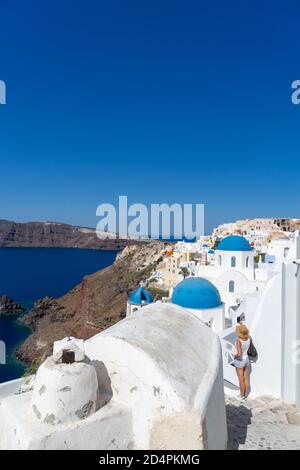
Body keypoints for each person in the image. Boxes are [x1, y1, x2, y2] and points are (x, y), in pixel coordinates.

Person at [234, 323, 251, 401]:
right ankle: (245, 394)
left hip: (240, 361)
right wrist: (241, 324)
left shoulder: (238, 341)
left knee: (241, 379)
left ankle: (242, 396)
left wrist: (234, 356)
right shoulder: (248, 339)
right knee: (246, 378)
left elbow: (239, 353)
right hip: (247, 359)